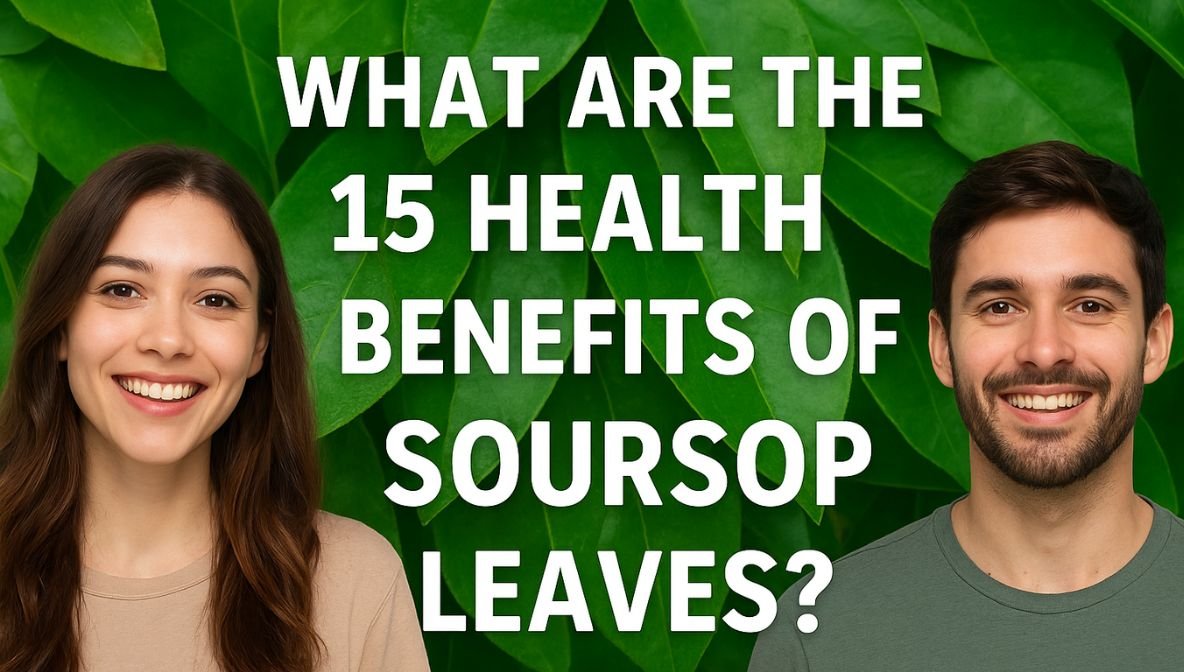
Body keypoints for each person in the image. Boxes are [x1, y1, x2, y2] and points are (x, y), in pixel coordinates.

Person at [748, 140, 1184, 670]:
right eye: (1000, 306)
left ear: (1155, 343)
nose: (1044, 350)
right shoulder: (819, 636)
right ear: (942, 347)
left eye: (1090, 305)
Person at [0, 145, 430, 672]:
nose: (167, 339)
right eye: (122, 289)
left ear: (259, 345)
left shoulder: (354, 582)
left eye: (215, 300)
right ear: (61, 324)